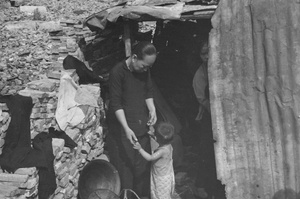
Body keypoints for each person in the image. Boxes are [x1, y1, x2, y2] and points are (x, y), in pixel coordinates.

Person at [107, 41, 157, 199]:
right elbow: (116, 103)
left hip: (141, 126)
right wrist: (126, 128)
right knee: (126, 172)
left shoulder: (144, 70)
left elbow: (148, 91)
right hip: (123, 130)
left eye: (149, 67)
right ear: (134, 57)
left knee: (142, 170)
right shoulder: (117, 72)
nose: (146, 70)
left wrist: (152, 109)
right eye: (144, 66)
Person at [133, 122, 175, 199]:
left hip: (160, 177)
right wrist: (152, 135)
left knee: (160, 195)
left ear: (157, 138)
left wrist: (140, 149)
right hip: (166, 174)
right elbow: (159, 139)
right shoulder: (168, 146)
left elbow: (150, 158)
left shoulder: (162, 151)